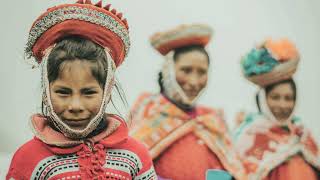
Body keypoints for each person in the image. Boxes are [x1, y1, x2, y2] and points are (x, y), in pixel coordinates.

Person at [6, 1, 156, 179]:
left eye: (88, 92)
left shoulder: (135, 156)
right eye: (63, 92)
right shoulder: (29, 159)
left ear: (107, 92)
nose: (75, 105)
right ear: (47, 92)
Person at [130, 24, 245, 180]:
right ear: (169, 70)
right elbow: (128, 166)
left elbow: (235, 170)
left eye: (202, 72)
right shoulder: (149, 111)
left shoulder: (212, 119)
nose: (194, 81)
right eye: (186, 70)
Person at [234, 38, 320, 179]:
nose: (283, 105)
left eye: (288, 98)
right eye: (275, 97)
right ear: (262, 99)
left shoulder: (303, 135)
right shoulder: (248, 137)